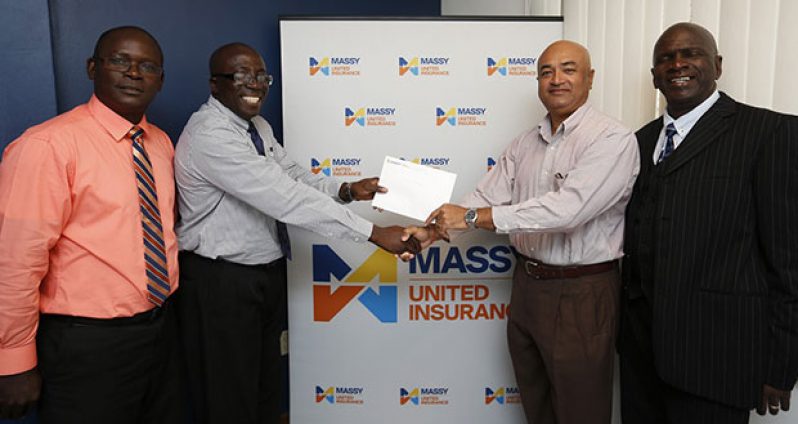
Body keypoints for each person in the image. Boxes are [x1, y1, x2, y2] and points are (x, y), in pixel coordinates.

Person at [174, 42, 418, 424]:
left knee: (264, 389)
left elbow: (293, 177)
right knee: (229, 397)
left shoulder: (257, 127)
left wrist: (347, 190)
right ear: (215, 85)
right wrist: (373, 234)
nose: (254, 84)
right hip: (221, 283)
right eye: (241, 76)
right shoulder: (210, 135)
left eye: (260, 76)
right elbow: (284, 197)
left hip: (263, 275)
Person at [404, 40, 639, 424]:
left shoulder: (611, 139)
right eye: (546, 72)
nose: (556, 79)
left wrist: (473, 218)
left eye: (568, 69)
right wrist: (431, 232)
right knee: (536, 404)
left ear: (590, 78)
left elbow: (568, 210)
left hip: (582, 292)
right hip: (529, 287)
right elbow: (483, 196)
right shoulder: (525, 142)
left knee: (581, 411)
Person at [0, 26, 181, 422]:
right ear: (91, 68)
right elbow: (15, 262)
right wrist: (12, 361)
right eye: (120, 61)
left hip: (161, 332)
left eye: (147, 66)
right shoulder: (46, 147)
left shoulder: (161, 144)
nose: (134, 73)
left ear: (161, 80)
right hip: (86, 345)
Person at [620, 22, 798, 424]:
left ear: (717, 65)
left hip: (716, 362)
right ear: (654, 76)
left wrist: (781, 365)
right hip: (640, 361)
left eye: (691, 54)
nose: (678, 64)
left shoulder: (769, 133)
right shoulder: (637, 142)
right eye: (665, 58)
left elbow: (789, 261)